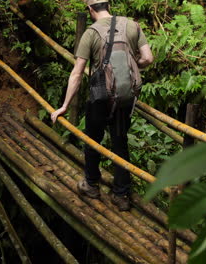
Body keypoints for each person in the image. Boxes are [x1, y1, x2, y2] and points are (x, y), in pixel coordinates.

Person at [50, 0, 153, 211]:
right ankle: (121, 194)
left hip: (100, 95)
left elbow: (77, 73)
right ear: (109, 6)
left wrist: (65, 105)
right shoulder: (131, 25)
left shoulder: (91, 33)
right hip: (125, 96)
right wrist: (131, 69)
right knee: (120, 141)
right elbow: (148, 58)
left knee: (93, 139)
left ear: (90, 10)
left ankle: (91, 185)